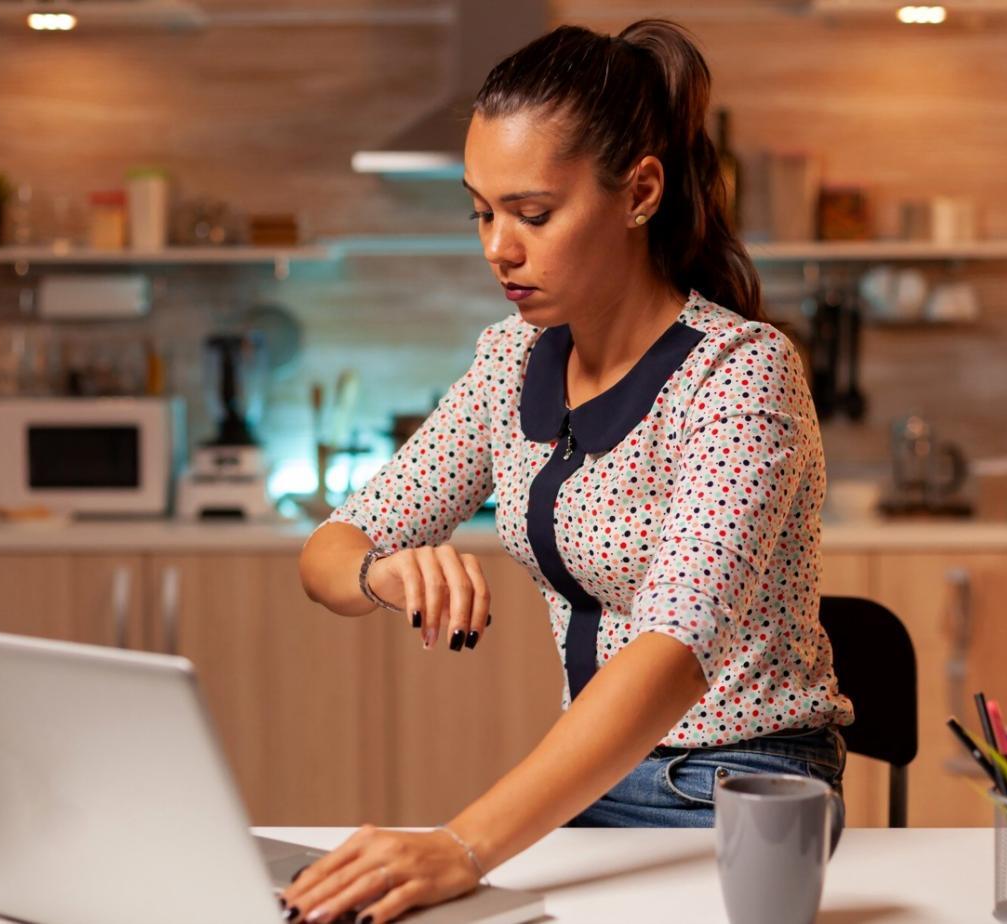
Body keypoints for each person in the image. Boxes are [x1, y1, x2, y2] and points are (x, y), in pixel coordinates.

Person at [282, 19, 853, 924]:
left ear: (639, 192)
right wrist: (376, 569)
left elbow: (674, 650)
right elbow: (329, 548)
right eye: (481, 211)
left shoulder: (739, 372)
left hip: (735, 791)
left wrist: (459, 846)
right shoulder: (513, 358)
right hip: (587, 791)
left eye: (532, 214)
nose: (496, 248)